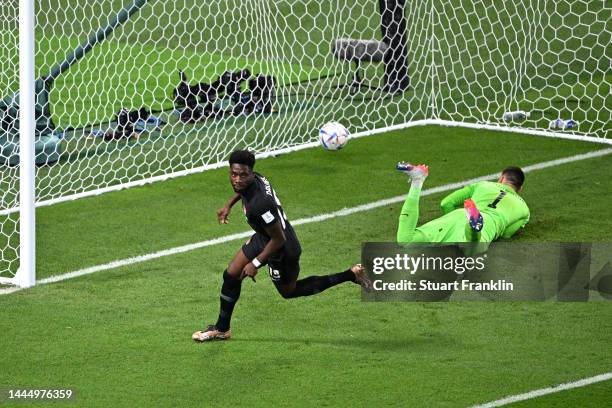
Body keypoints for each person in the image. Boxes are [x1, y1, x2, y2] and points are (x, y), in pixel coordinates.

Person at [193, 150, 372, 342]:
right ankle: (222, 329)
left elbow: (279, 240)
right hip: (265, 237)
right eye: (233, 174)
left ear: (251, 174)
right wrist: (229, 204)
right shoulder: (257, 178)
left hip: (282, 250)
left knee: (289, 291)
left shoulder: (260, 204)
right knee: (231, 275)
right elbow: (242, 191)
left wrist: (255, 263)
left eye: (242, 175)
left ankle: (350, 275)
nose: (237, 180)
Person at [396, 163, 529, 244]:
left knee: (406, 240)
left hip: (457, 216)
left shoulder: (484, 185)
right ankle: (473, 227)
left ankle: (417, 182)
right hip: (488, 223)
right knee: (470, 249)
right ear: (520, 189)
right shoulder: (524, 210)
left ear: (501, 179)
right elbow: (506, 234)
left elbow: (446, 202)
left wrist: (454, 220)